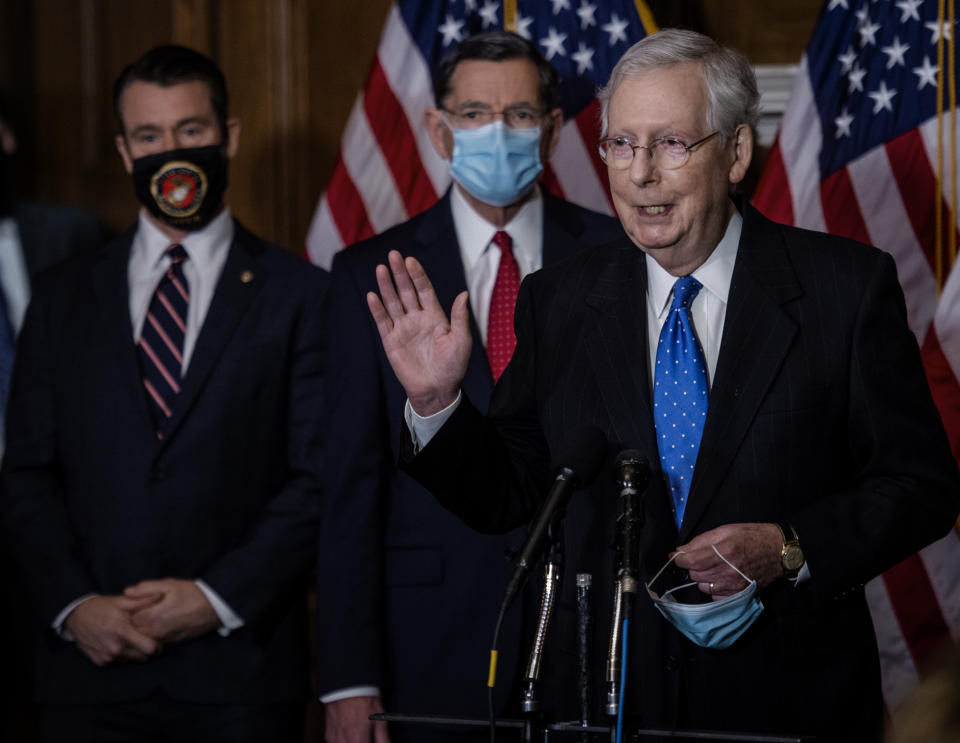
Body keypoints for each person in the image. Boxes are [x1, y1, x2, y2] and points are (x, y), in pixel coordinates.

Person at [365, 29, 960, 742]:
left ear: (736, 153)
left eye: (672, 144)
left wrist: (791, 547)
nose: (639, 173)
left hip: (789, 701)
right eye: (620, 144)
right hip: (607, 704)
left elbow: (921, 485)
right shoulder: (559, 300)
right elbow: (513, 491)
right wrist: (437, 406)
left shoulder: (844, 288)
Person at [0, 44, 327, 743]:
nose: (170, 153)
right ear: (124, 151)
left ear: (227, 136)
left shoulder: (299, 294)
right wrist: (74, 604)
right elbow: (25, 471)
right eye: (149, 137)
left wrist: (215, 598)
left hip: (239, 676)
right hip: (86, 674)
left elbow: (317, 476)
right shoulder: (60, 296)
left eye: (190, 132)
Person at [315, 31, 623, 743]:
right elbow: (349, 489)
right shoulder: (371, 274)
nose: (498, 132)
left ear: (550, 130)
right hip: (431, 637)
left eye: (519, 116)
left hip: (589, 630)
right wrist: (349, 676)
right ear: (438, 128)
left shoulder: (618, 255)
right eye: (476, 113)